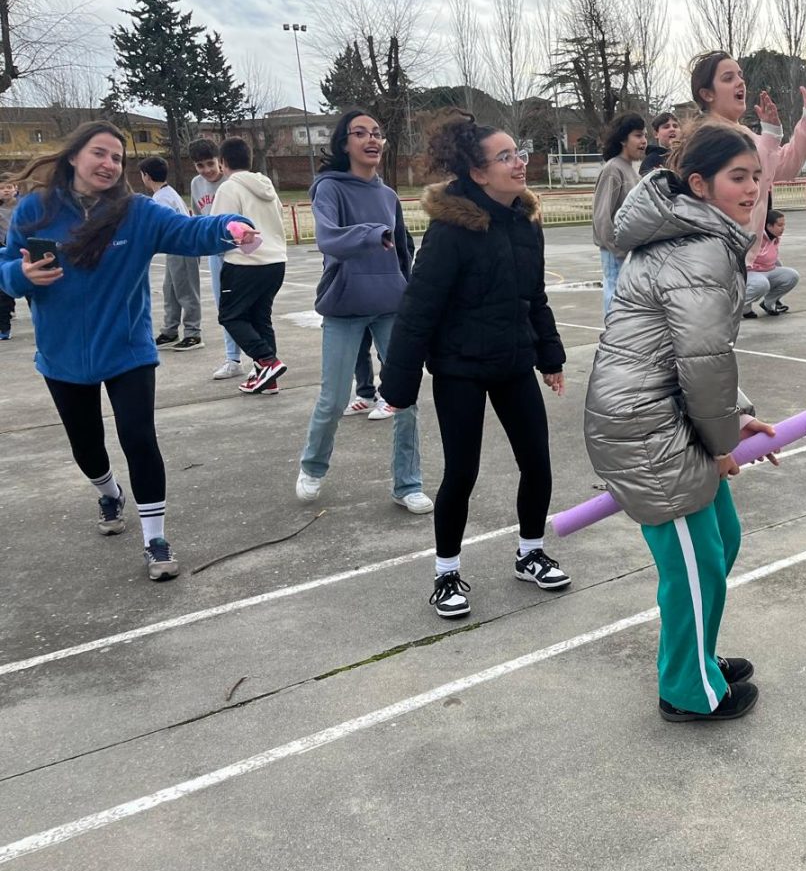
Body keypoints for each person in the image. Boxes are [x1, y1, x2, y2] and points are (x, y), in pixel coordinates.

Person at [584, 121, 780, 722]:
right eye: (737, 178)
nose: (752, 189)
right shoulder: (699, 247)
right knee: (693, 567)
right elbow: (702, 361)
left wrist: (736, 419)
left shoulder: (700, 236)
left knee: (721, 543)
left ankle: (697, 656)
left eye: (755, 177)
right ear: (699, 184)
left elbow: (697, 353)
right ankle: (688, 691)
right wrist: (723, 441)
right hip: (645, 425)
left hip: (667, 411)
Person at [0, 122, 255, 580]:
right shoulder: (37, 208)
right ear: (74, 156)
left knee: (139, 438)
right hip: (62, 354)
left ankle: (155, 538)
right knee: (86, 446)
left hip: (127, 349)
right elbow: (7, 268)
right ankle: (109, 493)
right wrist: (21, 277)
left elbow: (189, 231)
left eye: (117, 158)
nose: (109, 164)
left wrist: (231, 227)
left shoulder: (135, 212)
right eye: (99, 153)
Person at [383, 115, 570, 617]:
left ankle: (530, 553)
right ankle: (446, 574)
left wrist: (550, 356)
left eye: (518, 152)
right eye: (505, 157)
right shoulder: (451, 231)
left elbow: (534, 297)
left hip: (513, 362)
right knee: (462, 472)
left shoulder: (526, 223)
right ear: (479, 172)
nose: (519, 163)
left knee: (537, 463)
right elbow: (419, 308)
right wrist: (399, 382)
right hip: (460, 368)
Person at [295, 109, 432, 514]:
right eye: (360, 133)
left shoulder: (388, 195)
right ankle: (313, 466)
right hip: (345, 306)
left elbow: (403, 249)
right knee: (334, 398)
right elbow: (329, 239)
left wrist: (410, 291)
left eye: (376, 133)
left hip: (390, 305)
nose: (372, 139)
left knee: (404, 397)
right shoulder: (329, 188)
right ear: (344, 143)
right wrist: (372, 234)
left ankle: (407, 484)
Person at [689, 50, 806, 253]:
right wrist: (771, 137)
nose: (740, 82)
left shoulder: (743, 132)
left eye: (740, 76)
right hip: (721, 251)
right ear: (707, 94)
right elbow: (757, 167)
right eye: (728, 78)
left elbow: (783, 169)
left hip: (745, 252)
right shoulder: (709, 136)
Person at [210, 137, 288, 395]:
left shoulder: (229, 188)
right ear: (250, 159)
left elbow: (218, 228)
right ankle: (268, 379)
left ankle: (267, 361)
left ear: (222, 163)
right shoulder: (267, 186)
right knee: (260, 318)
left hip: (245, 263)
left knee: (230, 316)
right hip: (275, 261)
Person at [189, 139, 245, 381]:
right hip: (215, 251)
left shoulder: (232, 182)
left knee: (249, 306)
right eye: (200, 165)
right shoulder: (196, 184)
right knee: (224, 306)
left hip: (239, 251)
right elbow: (198, 217)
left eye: (210, 163)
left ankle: (263, 359)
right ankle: (233, 359)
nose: (206, 170)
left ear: (220, 161)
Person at [139, 158, 204, 353]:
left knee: (186, 292)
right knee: (170, 291)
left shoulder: (162, 198)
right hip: (174, 250)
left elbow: (162, 226)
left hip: (183, 248)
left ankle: (193, 333)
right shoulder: (165, 193)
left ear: (146, 176)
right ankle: (170, 331)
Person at [592, 112, 647, 316]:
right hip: (615, 253)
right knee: (616, 301)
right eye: (638, 135)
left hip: (629, 252)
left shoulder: (631, 171)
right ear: (623, 139)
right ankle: (613, 335)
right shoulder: (613, 170)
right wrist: (618, 249)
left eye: (645, 136)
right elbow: (602, 217)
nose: (643, 141)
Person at [742, 208, 800, 318]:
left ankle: (769, 303)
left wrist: (780, 271)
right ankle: (739, 307)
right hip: (750, 272)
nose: (783, 228)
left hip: (768, 270)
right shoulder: (755, 237)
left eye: (784, 225)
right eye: (779, 225)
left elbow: (774, 257)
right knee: (761, 284)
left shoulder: (775, 238)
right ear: (769, 226)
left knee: (792, 275)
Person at [0, 180, 18, 340]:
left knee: (33, 293)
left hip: (23, 250)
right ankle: (4, 328)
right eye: (1, 188)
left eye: (9, 187)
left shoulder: (24, 207)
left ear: (15, 189)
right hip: (3, 252)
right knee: (3, 293)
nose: (5, 190)